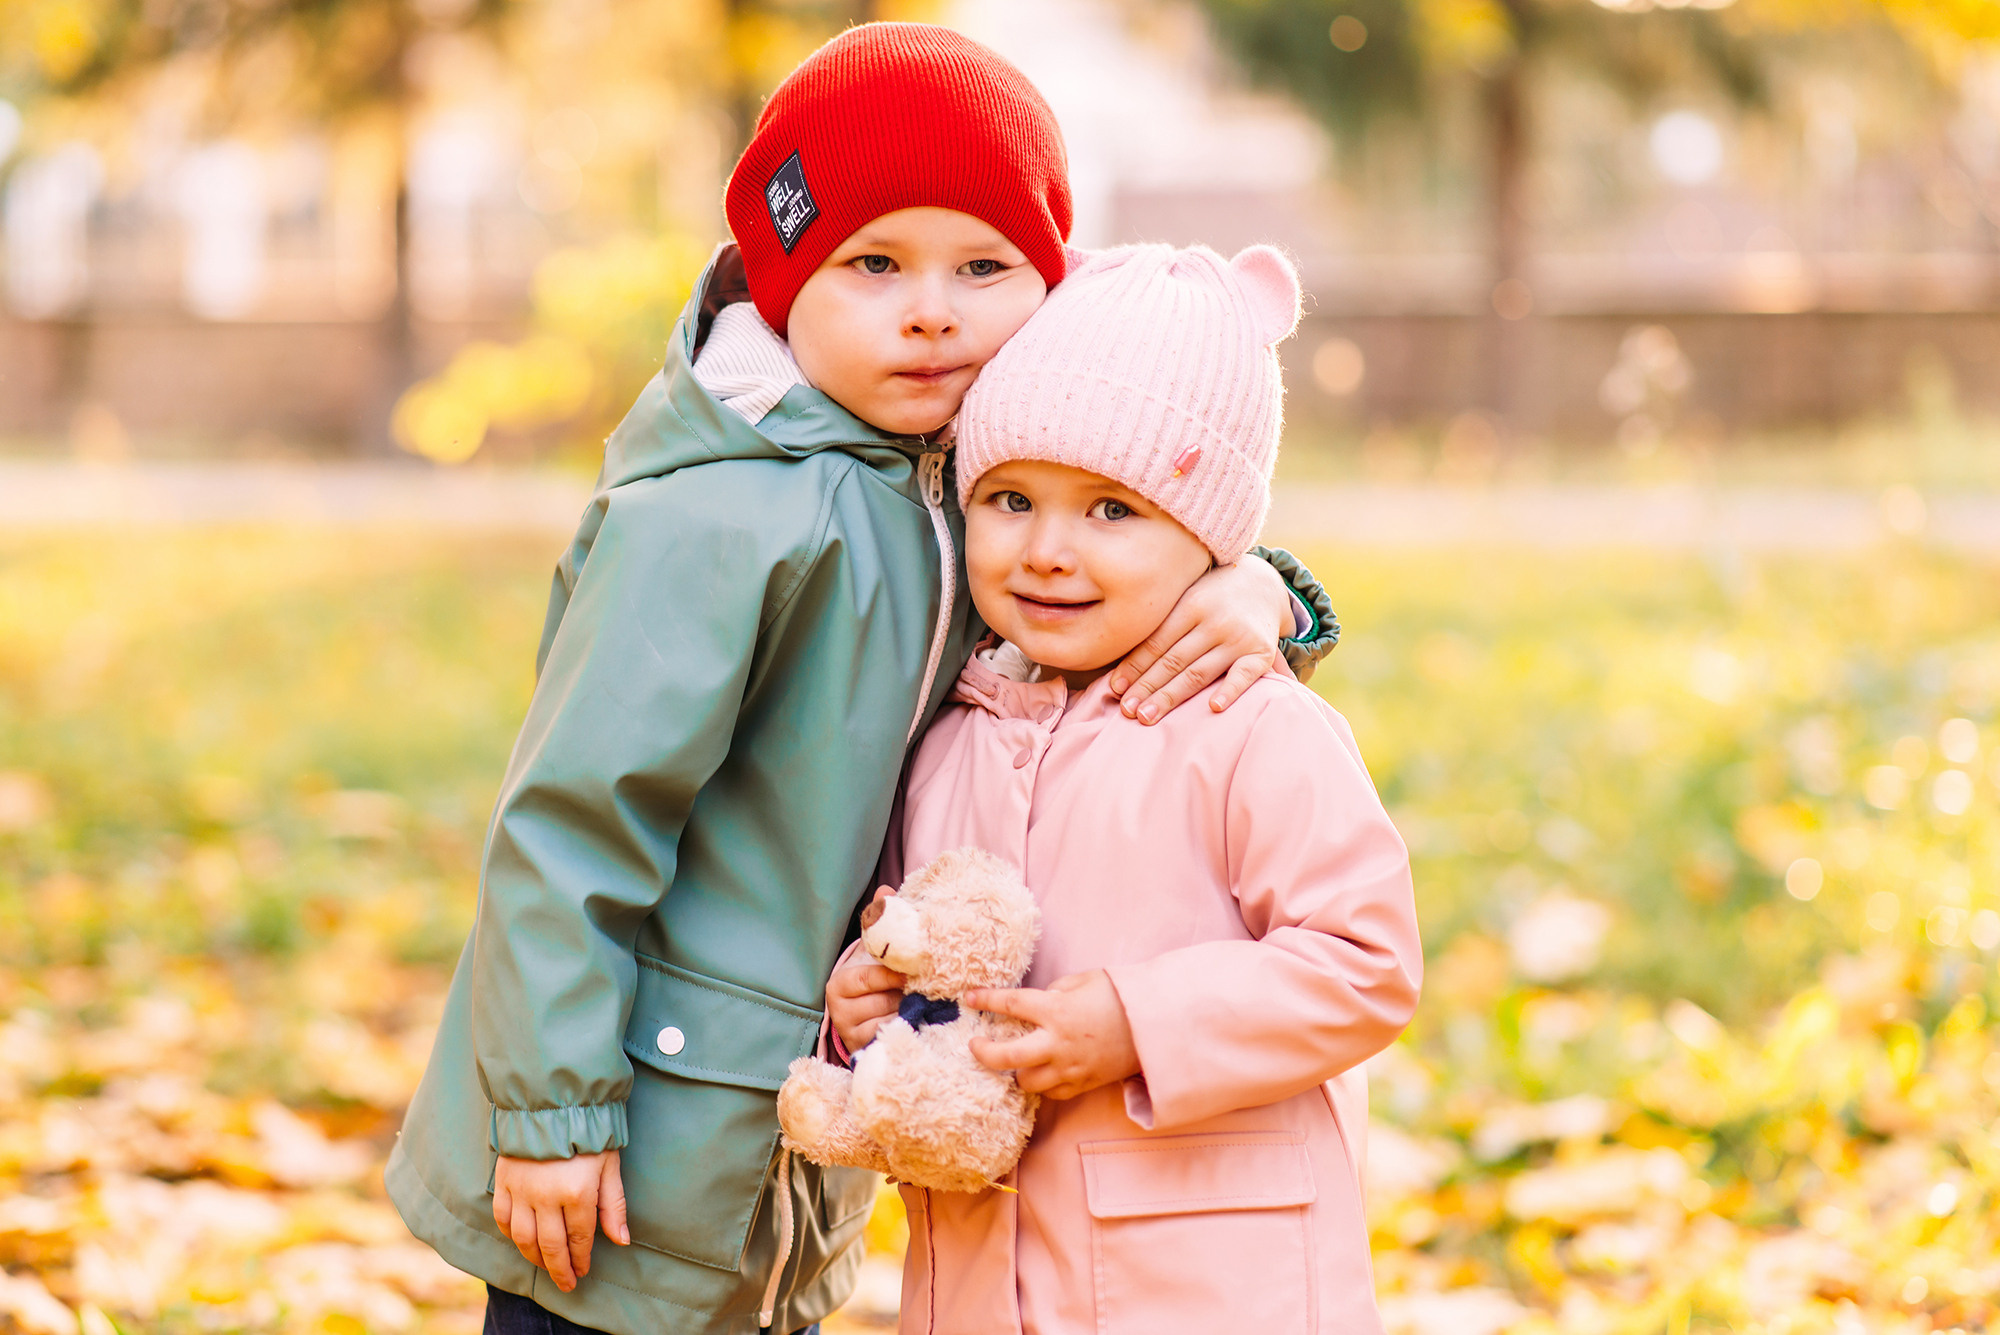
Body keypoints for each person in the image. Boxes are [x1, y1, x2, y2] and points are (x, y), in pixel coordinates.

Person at [386, 24, 1341, 1335]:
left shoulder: (969, 486)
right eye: (874, 262)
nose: (932, 306)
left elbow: (1133, 522)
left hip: (795, 1119)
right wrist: (551, 1110)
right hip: (623, 1131)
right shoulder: (712, 520)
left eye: (983, 264)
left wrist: (1257, 586)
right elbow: (571, 825)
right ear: (784, 284)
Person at [827, 242, 1421, 1335]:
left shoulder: (1248, 724)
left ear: (1208, 542)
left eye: (1111, 511)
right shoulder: (946, 735)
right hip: (975, 1287)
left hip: (1206, 1289)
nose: (1048, 551)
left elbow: (1364, 961)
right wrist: (867, 1011)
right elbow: (927, 962)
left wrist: (1137, 1022)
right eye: (1008, 498)